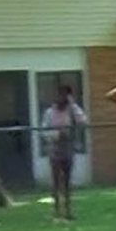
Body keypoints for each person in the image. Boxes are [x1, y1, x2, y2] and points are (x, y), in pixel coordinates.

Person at [41, 85, 88, 220]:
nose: (61, 98)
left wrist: (73, 106)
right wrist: (56, 134)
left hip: (68, 148)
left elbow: (83, 122)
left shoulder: (72, 111)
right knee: (55, 181)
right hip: (54, 149)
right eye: (59, 95)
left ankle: (68, 210)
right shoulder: (49, 112)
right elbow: (44, 131)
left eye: (64, 96)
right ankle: (56, 211)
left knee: (67, 181)